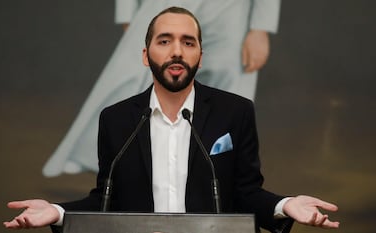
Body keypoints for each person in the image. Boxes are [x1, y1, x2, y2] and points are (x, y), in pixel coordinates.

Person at [4, 7, 339, 233]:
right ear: (146, 55)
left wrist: (286, 204)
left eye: (187, 42)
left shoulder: (235, 112)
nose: (176, 51)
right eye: (164, 41)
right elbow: (106, 201)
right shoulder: (116, 119)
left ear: (200, 56)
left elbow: (246, 194)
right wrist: (57, 212)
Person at [42, 0, 281, 177]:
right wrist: (127, 11)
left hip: (230, 8)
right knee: (132, 74)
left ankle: (213, 170)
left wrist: (260, 27)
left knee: (229, 76)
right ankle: (89, 152)